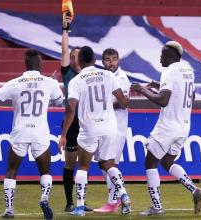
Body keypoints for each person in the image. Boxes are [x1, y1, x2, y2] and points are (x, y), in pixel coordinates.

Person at [0, 49, 63, 220]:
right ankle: (44, 197)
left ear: (25, 64)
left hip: (20, 131)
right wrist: (52, 88)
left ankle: (9, 209)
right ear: (40, 64)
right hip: (40, 132)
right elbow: (60, 102)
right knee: (46, 171)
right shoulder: (50, 82)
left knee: (12, 171)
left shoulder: (15, 83)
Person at [131, 41, 201, 216]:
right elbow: (191, 95)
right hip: (184, 127)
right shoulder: (188, 71)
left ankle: (156, 207)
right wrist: (160, 85)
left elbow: (163, 100)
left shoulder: (169, 71)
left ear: (170, 56)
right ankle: (195, 190)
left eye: (162, 54)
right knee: (167, 162)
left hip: (167, 127)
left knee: (150, 163)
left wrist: (142, 90)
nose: (160, 57)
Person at [58, 46, 132, 216]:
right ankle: (124, 195)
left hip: (89, 127)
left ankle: (79, 207)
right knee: (107, 164)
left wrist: (63, 134)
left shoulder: (78, 80)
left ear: (79, 61)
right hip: (109, 127)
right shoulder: (108, 75)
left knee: (83, 167)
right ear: (94, 60)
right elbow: (123, 102)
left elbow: (70, 108)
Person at [60, 14, 92, 213]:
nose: (72, 58)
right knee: (70, 163)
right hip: (72, 123)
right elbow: (64, 49)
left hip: (88, 122)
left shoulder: (91, 74)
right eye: (70, 56)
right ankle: (69, 202)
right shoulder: (67, 73)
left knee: (84, 164)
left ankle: (81, 202)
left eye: (75, 56)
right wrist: (65, 30)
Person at [93, 48, 131, 213]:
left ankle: (115, 201)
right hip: (106, 127)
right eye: (108, 59)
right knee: (104, 164)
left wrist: (100, 104)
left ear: (118, 60)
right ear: (102, 62)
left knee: (110, 164)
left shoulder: (121, 78)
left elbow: (123, 103)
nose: (111, 62)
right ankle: (116, 199)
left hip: (117, 128)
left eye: (114, 59)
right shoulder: (103, 77)